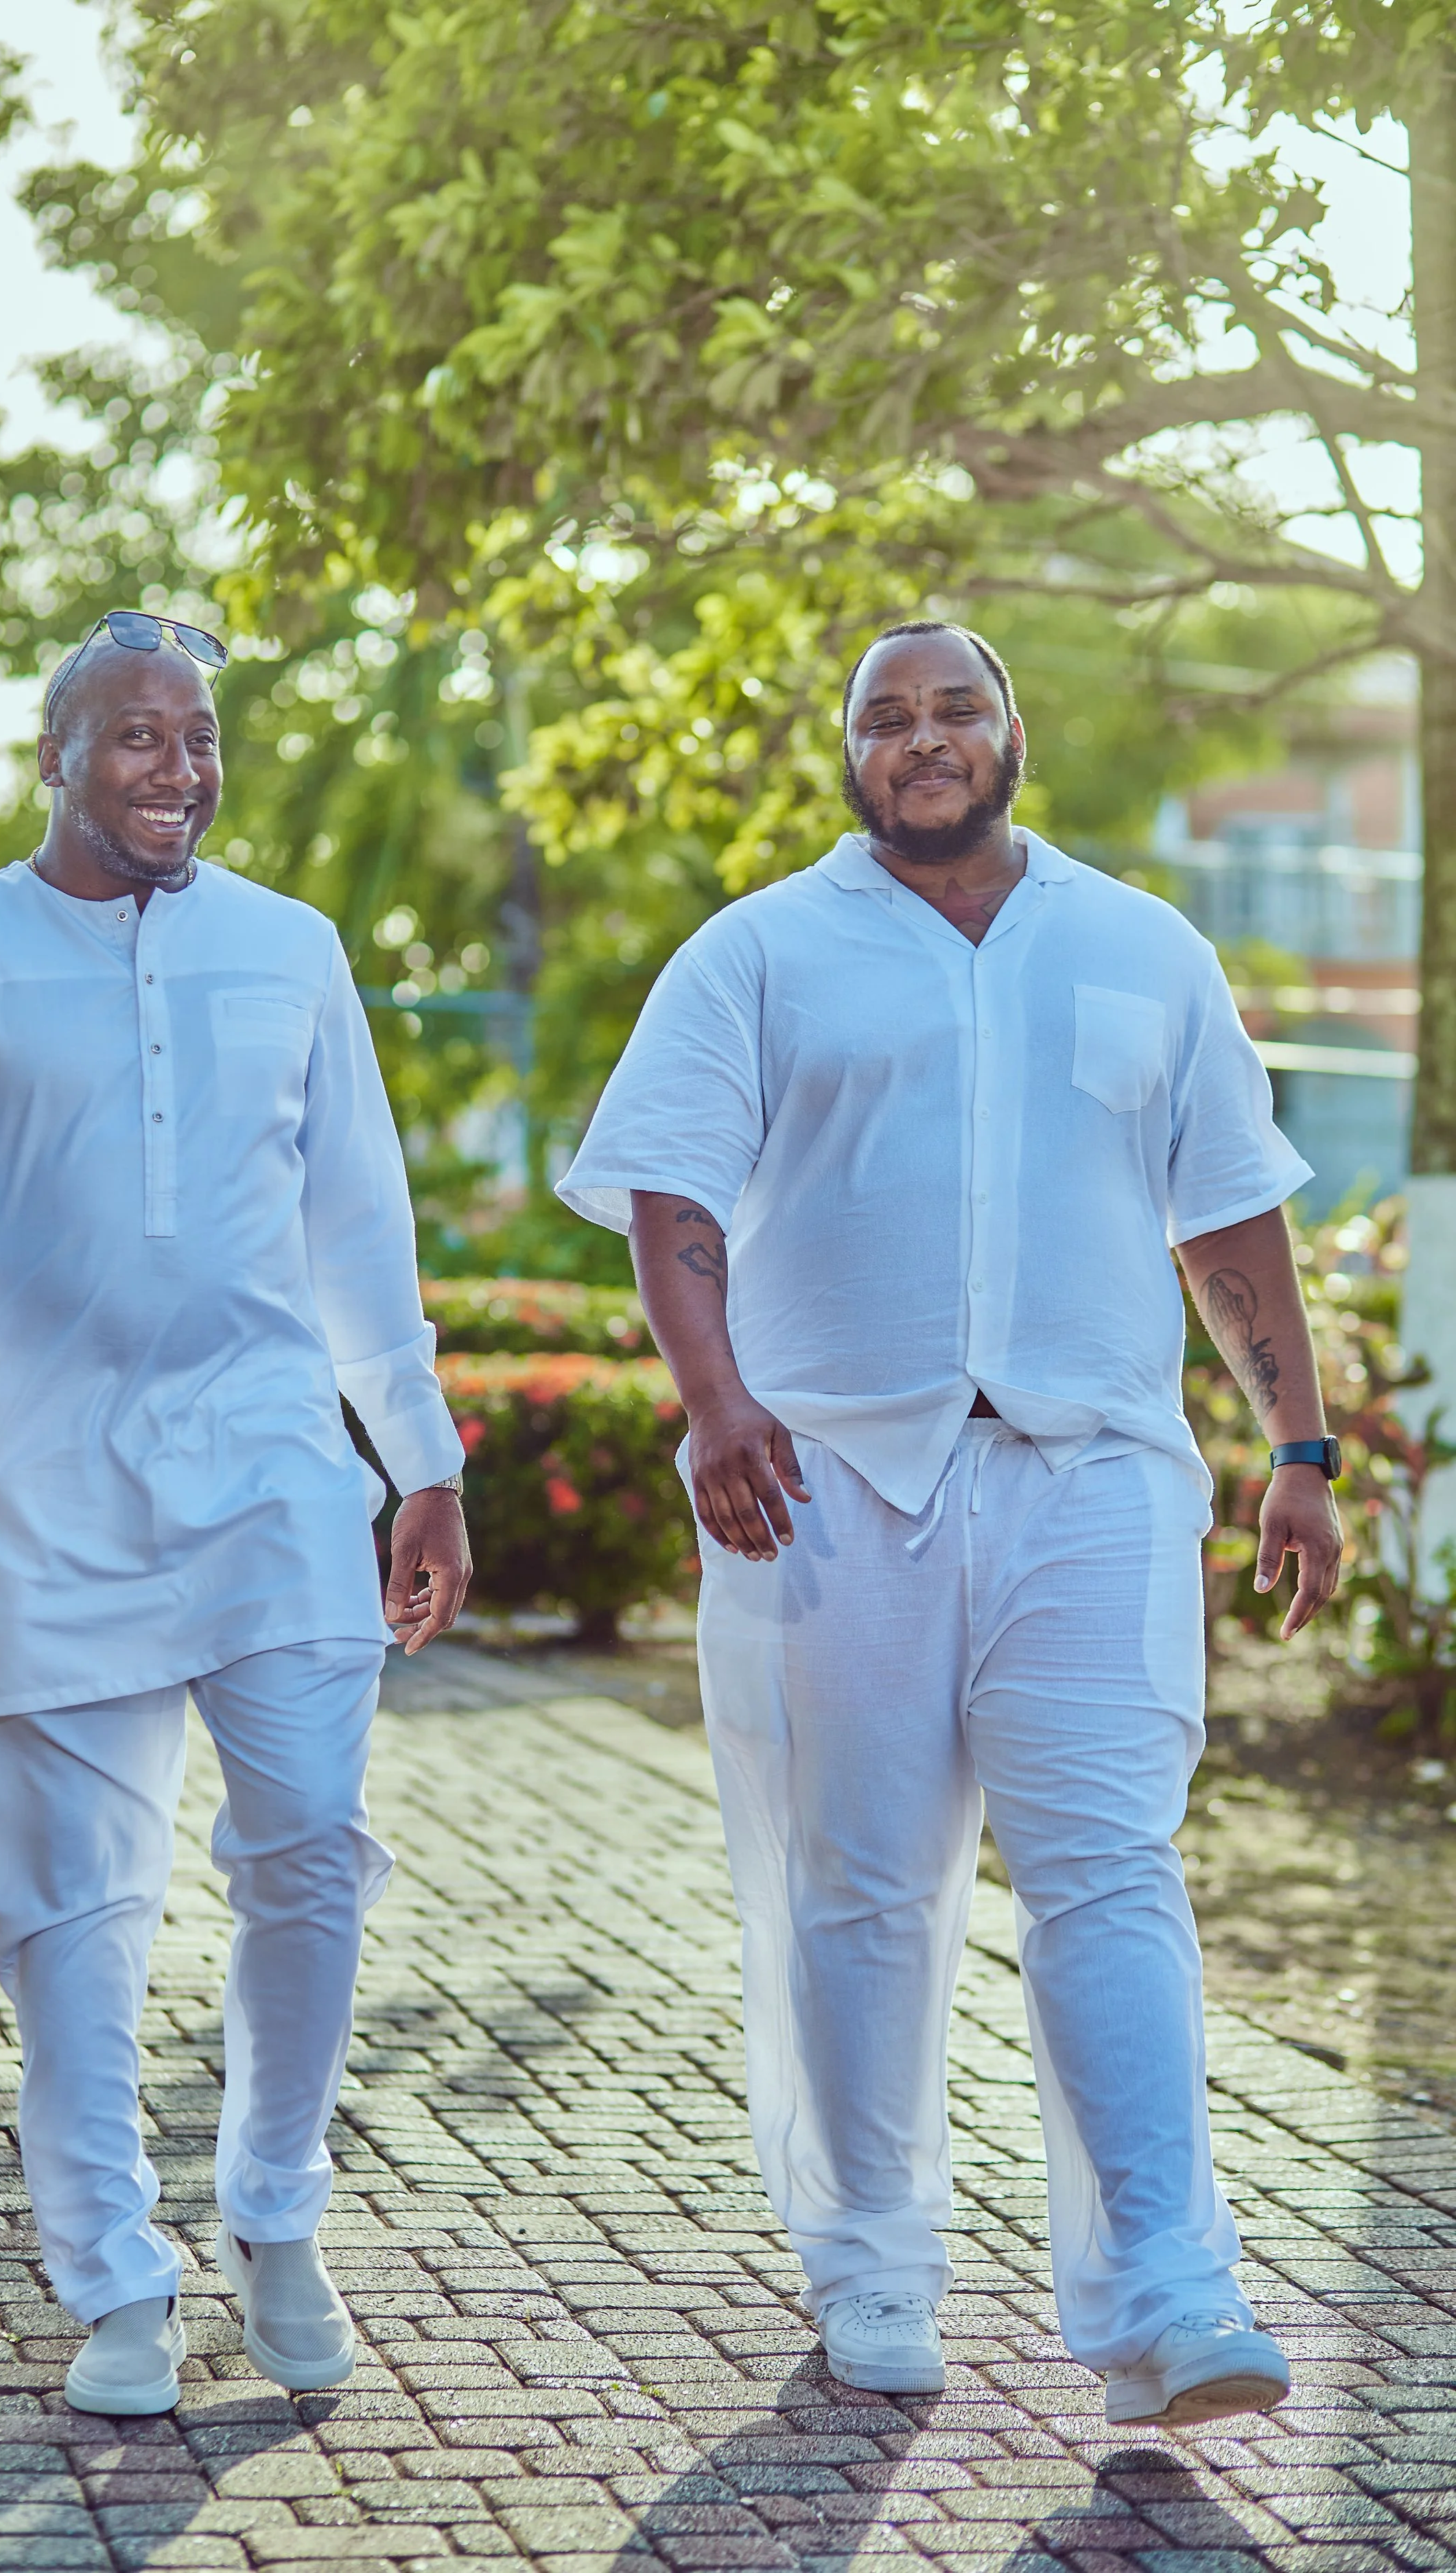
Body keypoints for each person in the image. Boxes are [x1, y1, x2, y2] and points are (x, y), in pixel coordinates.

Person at [558, 620, 1343, 2432]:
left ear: (1010, 728)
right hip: (832, 1488)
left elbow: (1225, 1219)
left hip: (1093, 1485)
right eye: (882, 718)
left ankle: (1165, 2277)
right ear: (848, 754)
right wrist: (715, 1398)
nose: (921, 740)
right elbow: (668, 1188)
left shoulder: (1141, 945)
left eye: (953, 707)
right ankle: (871, 2251)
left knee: (1108, 1866)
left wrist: (1293, 1441)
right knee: (857, 1885)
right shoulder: (756, 951)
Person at [0, 609, 472, 2417]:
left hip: (267, 1468)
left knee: (312, 1849)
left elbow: (359, 1230)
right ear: (56, 753)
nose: (179, 768)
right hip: (32, 1482)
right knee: (70, 1915)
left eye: (198, 738)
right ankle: (109, 2270)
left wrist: (420, 1458)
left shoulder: (291, 947)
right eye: (138, 739)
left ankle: (275, 2205)